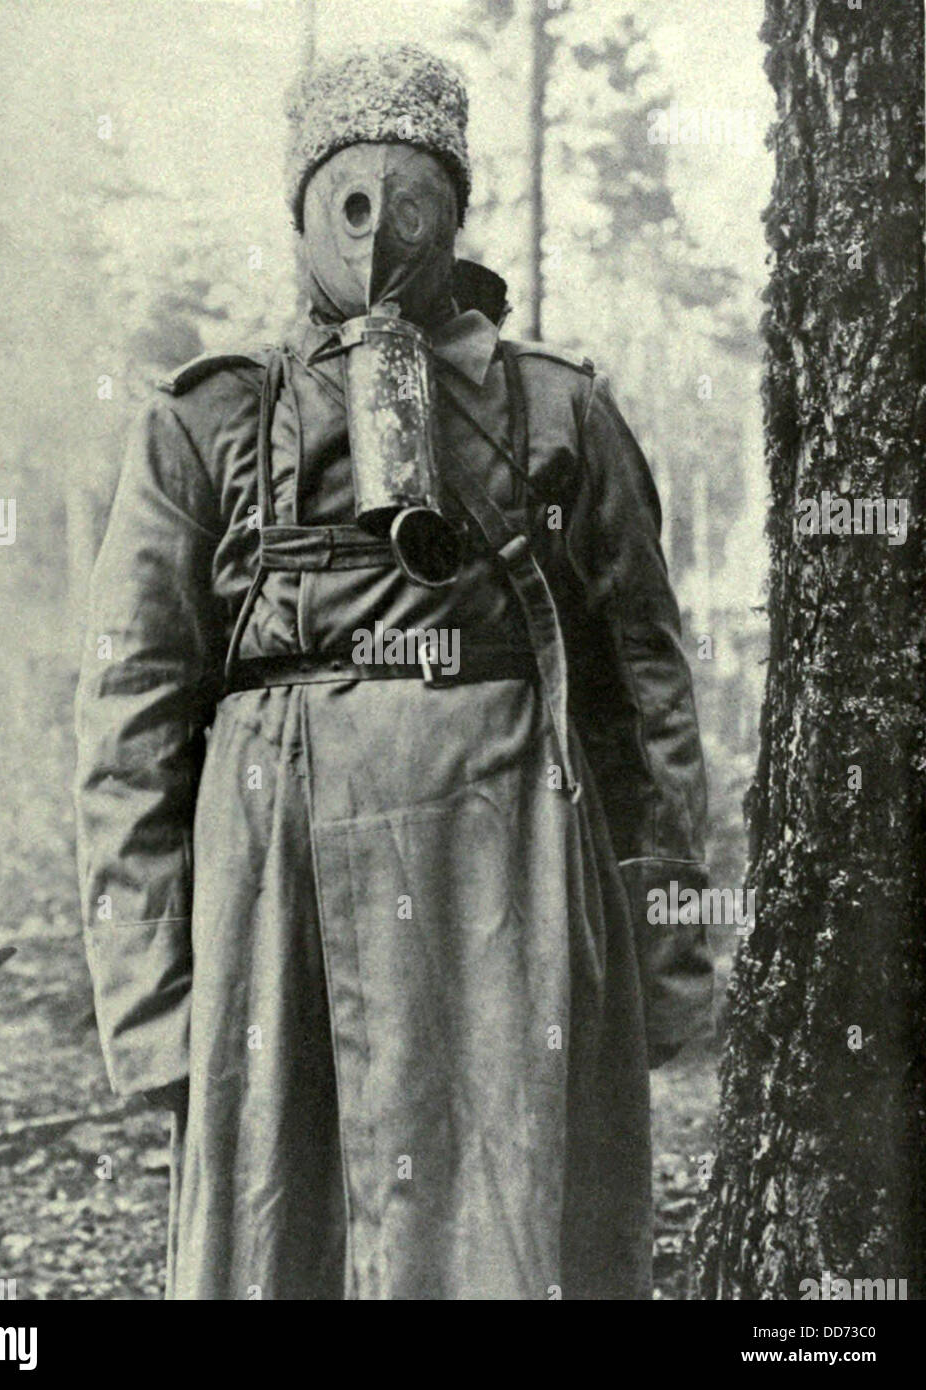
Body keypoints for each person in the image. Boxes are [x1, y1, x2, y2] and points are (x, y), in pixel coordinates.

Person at [75, 42, 712, 1300]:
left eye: (407, 190)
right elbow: (130, 718)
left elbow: (645, 688)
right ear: (301, 207)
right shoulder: (204, 423)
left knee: (507, 1233)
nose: (375, 228)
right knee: (279, 1233)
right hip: (274, 899)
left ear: (453, 207)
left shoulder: (559, 412)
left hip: (505, 883)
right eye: (344, 194)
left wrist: (664, 948)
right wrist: (149, 1001)